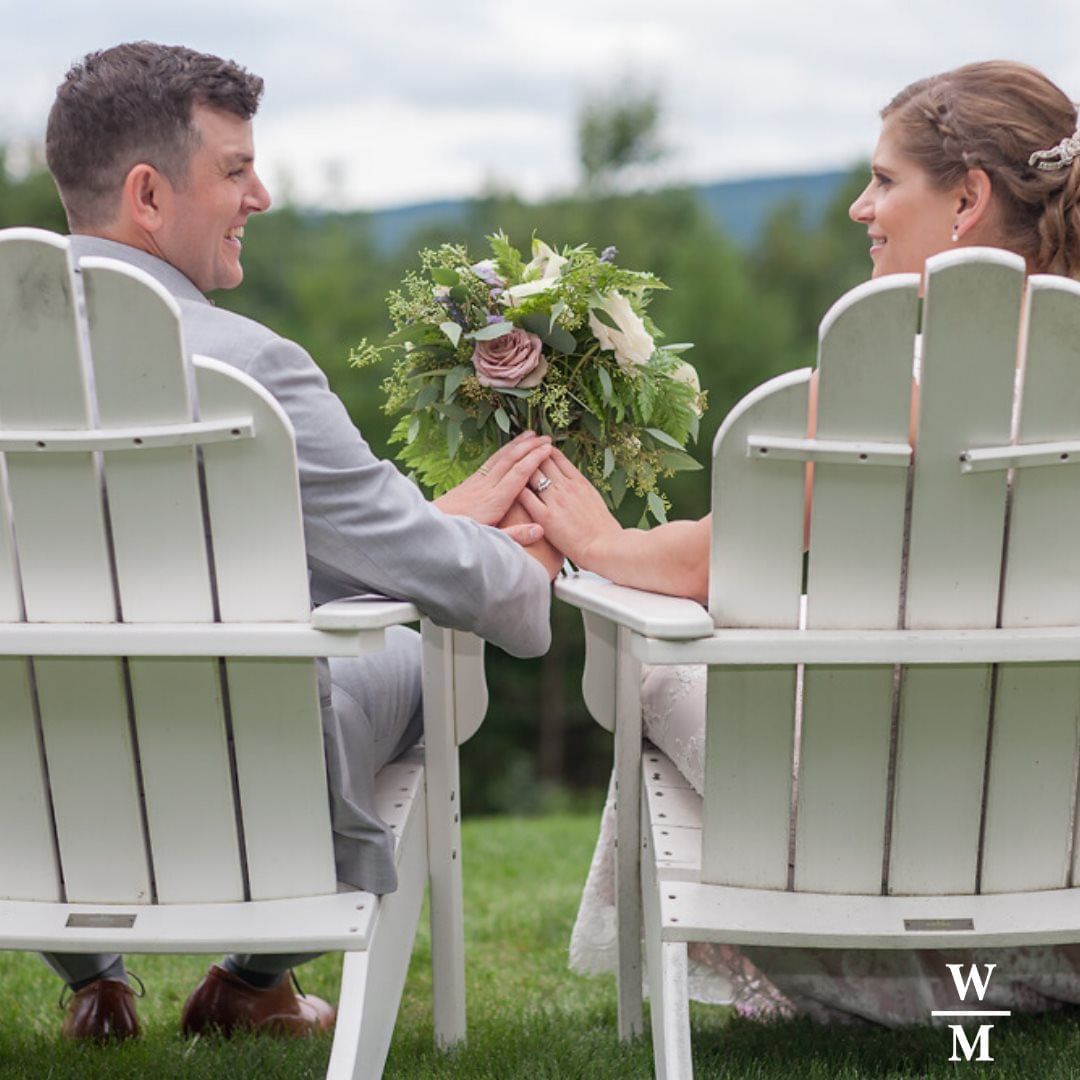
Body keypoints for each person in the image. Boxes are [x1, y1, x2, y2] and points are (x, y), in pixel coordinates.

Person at [524, 60, 1080, 1024]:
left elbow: (713, 564)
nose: (863, 208)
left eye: (884, 180)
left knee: (658, 676)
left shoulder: (889, 377)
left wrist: (601, 541)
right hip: (1053, 805)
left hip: (889, 810)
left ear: (968, 200)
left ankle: (834, 969)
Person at [38, 41, 561, 1043]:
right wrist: (520, 578)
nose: (262, 194)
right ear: (149, 195)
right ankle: (252, 981)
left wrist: (415, 531)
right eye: (235, 170)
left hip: (31, 800)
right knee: (414, 659)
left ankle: (94, 984)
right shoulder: (246, 369)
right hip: (229, 791)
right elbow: (459, 588)